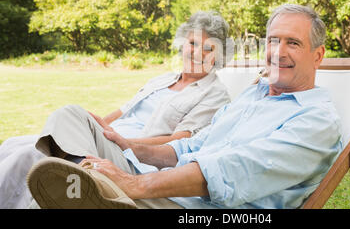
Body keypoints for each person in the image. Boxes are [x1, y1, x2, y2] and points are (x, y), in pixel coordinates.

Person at [28, 4, 343, 209]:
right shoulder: (253, 96)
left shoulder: (316, 121)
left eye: (293, 43)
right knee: (71, 117)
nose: (278, 52)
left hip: (195, 209)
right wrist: (130, 146)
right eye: (273, 40)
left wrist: (134, 184)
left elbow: (233, 172)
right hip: (157, 186)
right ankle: (89, 184)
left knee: (57, 192)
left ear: (318, 55)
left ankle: (90, 189)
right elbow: (190, 146)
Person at [0, 11, 232, 208]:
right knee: (14, 145)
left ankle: (83, 171)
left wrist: (123, 141)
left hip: (130, 154)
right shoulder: (162, 79)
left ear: (219, 57)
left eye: (209, 48)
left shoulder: (214, 93)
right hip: (106, 138)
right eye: (193, 43)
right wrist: (92, 123)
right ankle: (80, 166)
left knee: (33, 154)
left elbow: (180, 140)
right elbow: (123, 111)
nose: (198, 53)